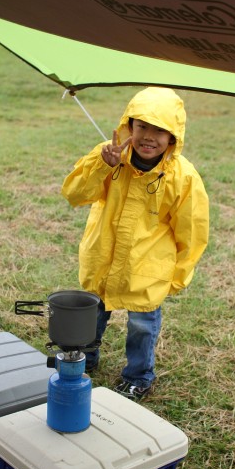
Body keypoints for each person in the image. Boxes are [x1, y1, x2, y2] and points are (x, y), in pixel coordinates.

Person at [61, 87, 209, 400]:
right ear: (129, 126)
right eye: (142, 126)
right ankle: (84, 359)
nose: (148, 137)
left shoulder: (183, 177)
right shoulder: (109, 154)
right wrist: (103, 164)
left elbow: (192, 230)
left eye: (160, 130)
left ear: (173, 137)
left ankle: (138, 376)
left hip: (146, 269)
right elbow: (75, 193)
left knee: (142, 326)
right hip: (103, 258)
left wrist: (178, 276)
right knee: (92, 314)